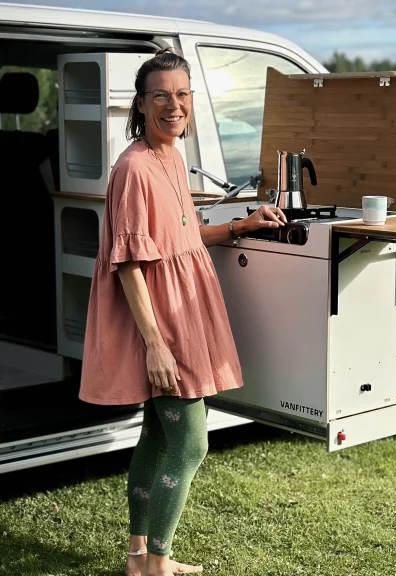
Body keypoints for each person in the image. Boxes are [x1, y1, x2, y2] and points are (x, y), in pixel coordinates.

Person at [78, 48, 286, 576]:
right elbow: (128, 264)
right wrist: (155, 346)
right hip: (163, 323)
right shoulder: (132, 169)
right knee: (191, 444)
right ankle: (157, 565)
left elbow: (182, 235)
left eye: (182, 94)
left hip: (183, 313)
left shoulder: (170, 155)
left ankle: (137, 558)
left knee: (158, 436)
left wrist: (242, 226)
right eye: (161, 96)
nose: (174, 105)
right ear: (142, 104)